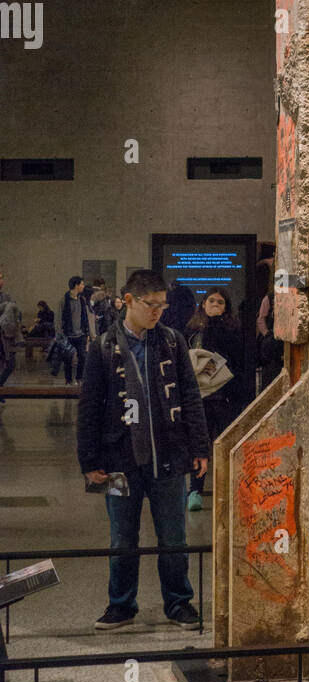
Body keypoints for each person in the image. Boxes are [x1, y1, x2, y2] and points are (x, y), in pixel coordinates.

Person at [77, 269, 209, 631]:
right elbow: (89, 407)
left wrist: (200, 447)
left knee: (173, 536)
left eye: (162, 306)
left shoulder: (172, 342)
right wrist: (89, 461)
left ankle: (179, 602)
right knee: (122, 535)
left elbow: (190, 395)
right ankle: (121, 604)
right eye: (151, 305)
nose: (158, 312)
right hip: (119, 460)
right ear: (129, 301)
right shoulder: (104, 346)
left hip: (168, 456)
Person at [184, 289, 245, 511]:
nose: (215, 305)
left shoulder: (232, 329)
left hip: (224, 395)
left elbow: (230, 354)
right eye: (211, 301)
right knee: (199, 444)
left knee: (226, 444)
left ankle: (230, 490)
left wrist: (217, 322)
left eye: (220, 302)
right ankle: (195, 489)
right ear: (203, 303)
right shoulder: (192, 329)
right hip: (200, 396)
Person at [59, 276, 88, 385]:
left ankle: (79, 378)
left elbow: (84, 316)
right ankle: (68, 379)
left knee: (83, 357)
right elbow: (58, 318)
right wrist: (60, 333)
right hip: (68, 335)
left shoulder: (82, 300)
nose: (83, 286)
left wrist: (87, 332)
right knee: (67, 358)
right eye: (82, 284)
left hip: (80, 334)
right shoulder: (64, 300)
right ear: (76, 285)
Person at [0, 274, 23, 400]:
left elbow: (16, 313)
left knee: (11, 364)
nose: (1, 281)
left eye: (2, 278)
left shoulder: (6, 297)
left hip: (6, 337)